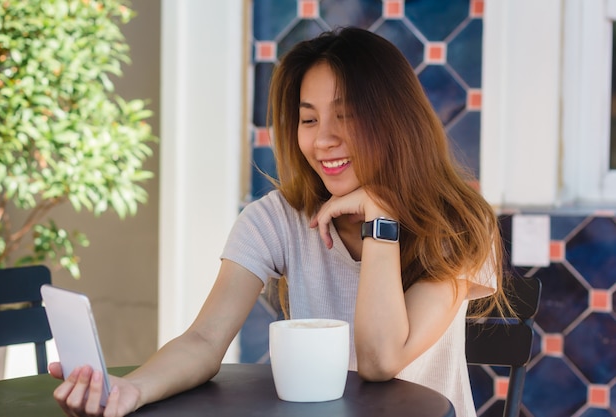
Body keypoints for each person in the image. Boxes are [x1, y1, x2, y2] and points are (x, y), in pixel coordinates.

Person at [50, 27, 509, 417]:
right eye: (308, 119)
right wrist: (134, 389)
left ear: (395, 122)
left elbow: (380, 359)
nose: (323, 139)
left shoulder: (461, 224)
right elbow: (205, 338)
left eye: (345, 116)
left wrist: (381, 219)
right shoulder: (277, 218)